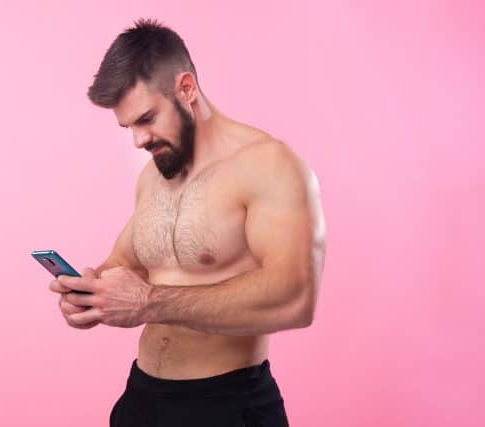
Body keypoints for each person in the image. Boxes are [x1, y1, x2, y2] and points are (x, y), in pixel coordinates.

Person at [48, 18, 327, 427]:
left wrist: (148, 303)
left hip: (226, 404)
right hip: (143, 398)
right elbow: (129, 262)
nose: (138, 140)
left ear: (186, 88)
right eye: (128, 127)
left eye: (147, 118)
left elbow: (295, 298)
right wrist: (89, 292)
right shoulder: (155, 174)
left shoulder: (269, 166)